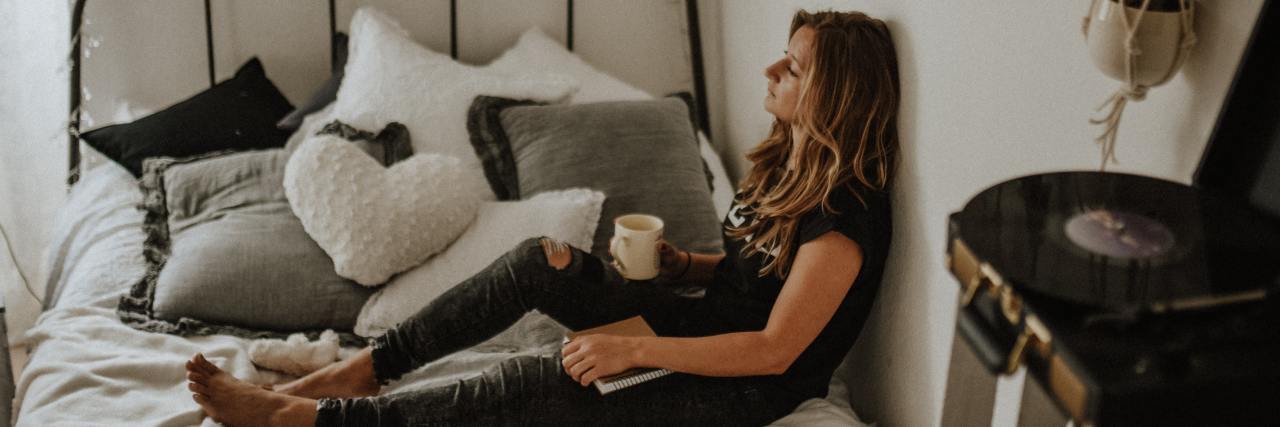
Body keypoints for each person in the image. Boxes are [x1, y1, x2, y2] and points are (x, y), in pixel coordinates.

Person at [185, 9, 900, 427]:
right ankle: (360, 371)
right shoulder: (786, 162)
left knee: (553, 373)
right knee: (541, 259)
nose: (773, 69)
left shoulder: (844, 215)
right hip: (706, 325)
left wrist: (634, 349)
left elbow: (777, 347)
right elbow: (762, 277)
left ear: (833, 94)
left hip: (748, 386)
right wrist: (690, 266)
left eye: (795, 68)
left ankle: (307, 420)